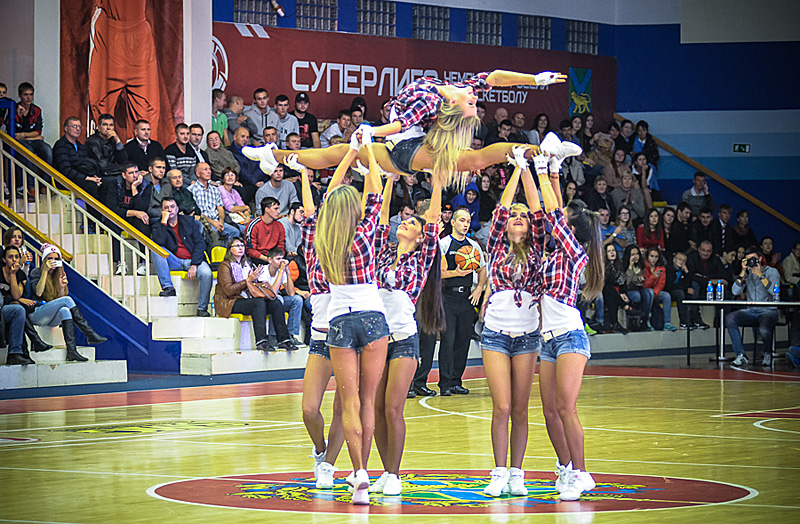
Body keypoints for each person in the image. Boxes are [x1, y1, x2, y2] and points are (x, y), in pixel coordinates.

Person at [241, 70, 568, 190]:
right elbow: (495, 77)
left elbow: (399, 125)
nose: (474, 99)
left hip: (404, 147)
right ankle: (274, 154)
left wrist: (370, 131)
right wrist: (535, 79)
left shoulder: (440, 99)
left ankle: (542, 150)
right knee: (336, 153)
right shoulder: (454, 92)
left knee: (474, 160)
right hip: (402, 142)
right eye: (473, 104)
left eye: (472, 105)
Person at [314, 131, 388, 506]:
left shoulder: (323, 239)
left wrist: (349, 154)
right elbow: (376, 190)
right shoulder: (364, 235)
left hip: (339, 322)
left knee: (349, 402)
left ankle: (357, 472)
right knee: (368, 400)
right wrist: (368, 149)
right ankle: (366, 472)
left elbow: (330, 195)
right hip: (373, 317)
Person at [369, 141, 443, 496]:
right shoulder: (383, 251)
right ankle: (384, 471)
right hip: (376, 339)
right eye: (405, 219)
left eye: (411, 222)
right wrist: (388, 179)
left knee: (392, 408)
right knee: (376, 409)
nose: (405, 223)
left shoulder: (423, 255)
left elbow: (434, 221)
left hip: (403, 340)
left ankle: (394, 474)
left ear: (419, 234)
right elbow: (379, 219)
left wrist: (438, 180)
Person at [535, 149, 604, 501]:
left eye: (565, 222)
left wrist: (545, 171)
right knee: (549, 411)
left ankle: (581, 472)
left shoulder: (575, 253)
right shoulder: (555, 254)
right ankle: (565, 468)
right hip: (547, 340)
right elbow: (557, 211)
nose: (558, 222)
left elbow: (554, 213)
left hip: (570, 338)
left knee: (565, 407)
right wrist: (553, 171)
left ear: (572, 230)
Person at [479, 146, 545, 498]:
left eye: (523, 215)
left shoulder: (537, 249)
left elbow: (538, 210)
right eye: (513, 215)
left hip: (527, 336)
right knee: (502, 406)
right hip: (495, 334)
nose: (518, 217)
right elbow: (501, 208)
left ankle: (517, 472)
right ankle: (499, 471)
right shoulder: (494, 246)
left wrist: (530, 170)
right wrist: (517, 169)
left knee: (520, 409)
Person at [295, 149, 348, 490]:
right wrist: (303, 172)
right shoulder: (313, 247)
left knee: (344, 408)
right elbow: (313, 210)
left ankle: (329, 466)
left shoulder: (354, 248)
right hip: (320, 338)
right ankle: (320, 449)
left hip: (349, 337)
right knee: (309, 409)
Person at [437, 205, 487, 396]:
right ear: (453, 222)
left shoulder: (473, 245)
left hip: (467, 297)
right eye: (462, 220)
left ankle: (456, 381)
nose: (465, 224)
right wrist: (455, 273)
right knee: (448, 340)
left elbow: (482, 269)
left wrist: (479, 288)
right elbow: (439, 273)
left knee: (463, 341)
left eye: (468, 221)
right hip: (447, 297)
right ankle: (445, 383)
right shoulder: (444, 243)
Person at [214, 238, 296, 352]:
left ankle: (284, 340)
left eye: (242, 245)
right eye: (236, 246)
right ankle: (262, 341)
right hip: (229, 302)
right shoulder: (225, 266)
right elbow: (229, 291)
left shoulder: (247, 265)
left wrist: (258, 282)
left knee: (276, 303)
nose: (240, 248)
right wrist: (247, 280)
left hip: (246, 298)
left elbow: (252, 286)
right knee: (258, 303)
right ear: (230, 249)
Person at [29, 244, 107, 362]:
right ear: (44, 260)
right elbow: (38, 292)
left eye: (56, 259)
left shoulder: (58, 274)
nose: (53, 261)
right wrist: (45, 271)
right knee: (68, 300)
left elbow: (58, 301)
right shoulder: (37, 272)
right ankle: (89, 333)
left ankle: (72, 351)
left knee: (65, 310)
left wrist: (61, 287)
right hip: (37, 314)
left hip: (51, 316)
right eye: (49, 258)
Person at [150, 197, 213, 313]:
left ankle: (202, 309)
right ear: (162, 211)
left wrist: (194, 265)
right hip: (174, 261)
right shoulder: (158, 225)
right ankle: (168, 287)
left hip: (193, 261)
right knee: (155, 248)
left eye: (172, 207)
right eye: (166, 208)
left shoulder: (189, 221)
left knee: (206, 273)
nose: (170, 210)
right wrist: (164, 221)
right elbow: (159, 242)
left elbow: (200, 244)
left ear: (177, 208)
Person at [727, 247, 781, 368]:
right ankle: (740, 355)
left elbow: (775, 291)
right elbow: (735, 291)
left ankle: (767, 353)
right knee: (730, 318)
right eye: (748, 260)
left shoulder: (772, 272)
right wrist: (742, 272)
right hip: (750, 311)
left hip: (768, 310)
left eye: (753, 259)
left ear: (760, 259)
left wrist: (760, 275)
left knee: (764, 329)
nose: (751, 262)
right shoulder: (747, 273)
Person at [103, 163, 152, 274]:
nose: (135, 175)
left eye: (136, 172)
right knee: (112, 223)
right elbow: (112, 208)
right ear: (124, 175)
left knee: (143, 222)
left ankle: (143, 262)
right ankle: (120, 262)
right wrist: (134, 212)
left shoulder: (145, 185)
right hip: (119, 216)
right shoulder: (115, 184)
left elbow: (142, 208)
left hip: (134, 218)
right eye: (131, 173)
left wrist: (134, 188)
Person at [0, 245, 39, 365]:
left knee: (19, 310)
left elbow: (17, 296)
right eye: (10, 257)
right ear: (4, 259)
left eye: (16, 257)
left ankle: (14, 353)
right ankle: (34, 340)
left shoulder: (19, 273)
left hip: (5, 309)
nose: (14, 260)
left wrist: (13, 275)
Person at [52, 117, 103, 203]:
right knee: (91, 186)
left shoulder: (81, 146)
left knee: (105, 183)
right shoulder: (61, 145)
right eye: (74, 126)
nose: (78, 129)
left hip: (80, 177)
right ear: (66, 129)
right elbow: (65, 170)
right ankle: (94, 212)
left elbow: (87, 165)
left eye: (80, 126)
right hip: (66, 180)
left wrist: (94, 177)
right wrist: (87, 178)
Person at [188, 162, 239, 242]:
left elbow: (220, 208)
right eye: (205, 169)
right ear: (198, 174)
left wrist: (221, 222)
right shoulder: (191, 190)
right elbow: (196, 212)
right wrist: (213, 223)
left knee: (234, 232)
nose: (209, 172)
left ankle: (228, 250)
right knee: (214, 232)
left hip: (217, 221)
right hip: (203, 222)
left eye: (209, 169)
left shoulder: (215, 189)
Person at [687, 240, 725, 329]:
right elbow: (691, 276)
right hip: (698, 286)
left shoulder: (715, 259)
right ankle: (696, 319)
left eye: (708, 251)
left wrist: (704, 278)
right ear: (698, 249)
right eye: (703, 250)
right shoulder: (692, 257)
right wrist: (709, 280)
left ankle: (720, 320)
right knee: (694, 285)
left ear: (711, 251)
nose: (705, 253)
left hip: (711, 287)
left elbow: (723, 275)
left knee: (723, 287)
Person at [15, 82, 53, 164]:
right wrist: (35, 137)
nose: (29, 97)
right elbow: (15, 136)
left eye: (31, 94)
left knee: (48, 150)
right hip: (19, 142)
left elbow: (38, 132)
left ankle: (46, 173)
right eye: (25, 95)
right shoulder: (14, 110)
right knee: (29, 152)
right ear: (19, 95)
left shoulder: (37, 110)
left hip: (33, 141)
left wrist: (23, 135)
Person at [229, 127, 267, 205]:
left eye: (247, 137)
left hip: (258, 182)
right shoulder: (230, 152)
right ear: (235, 137)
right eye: (242, 136)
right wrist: (255, 181)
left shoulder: (252, 150)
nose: (245, 139)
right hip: (244, 184)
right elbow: (241, 171)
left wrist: (262, 181)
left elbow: (260, 166)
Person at [644, 247, 677, 331]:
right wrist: (653, 277)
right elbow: (644, 285)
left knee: (666, 295)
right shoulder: (643, 266)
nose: (654, 259)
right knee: (650, 292)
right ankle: (646, 321)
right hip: (645, 292)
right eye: (651, 256)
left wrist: (654, 294)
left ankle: (667, 323)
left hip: (654, 293)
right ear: (647, 256)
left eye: (656, 257)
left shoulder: (661, 268)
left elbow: (661, 284)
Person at [245, 197, 285, 264]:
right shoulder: (254, 224)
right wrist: (268, 260)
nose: (279, 211)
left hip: (274, 258)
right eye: (275, 209)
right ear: (267, 209)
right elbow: (250, 250)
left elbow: (281, 246)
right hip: (259, 258)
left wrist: (276, 258)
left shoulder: (279, 225)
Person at [622, 245, 653, 330]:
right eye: (633, 254)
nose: (635, 256)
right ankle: (633, 319)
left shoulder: (641, 265)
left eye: (637, 254)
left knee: (649, 293)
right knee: (636, 295)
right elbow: (627, 282)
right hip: (627, 290)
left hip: (638, 288)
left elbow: (640, 283)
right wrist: (630, 266)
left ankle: (644, 319)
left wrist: (640, 280)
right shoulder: (623, 265)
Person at [603, 243, 630, 334]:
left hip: (614, 293)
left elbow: (623, 282)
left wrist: (623, 292)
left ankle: (615, 324)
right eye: (609, 251)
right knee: (609, 289)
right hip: (603, 291)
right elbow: (605, 282)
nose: (612, 253)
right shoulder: (602, 266)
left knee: (612, 296)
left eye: (613, 250)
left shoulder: (619, 265)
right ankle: (626, 307)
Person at [665, 251, 692, 329]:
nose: (681, 262)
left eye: (684, 261)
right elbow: (669, 285)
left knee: (691, 294)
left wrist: (687, 272)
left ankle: (693, 320)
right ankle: (683, 322)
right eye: (679, 259)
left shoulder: (683, 271)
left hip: (680, 290)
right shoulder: (668, 269)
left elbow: (688, 284)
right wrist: (685, 289)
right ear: (674, 259)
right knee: (680, 294)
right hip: (669, 291)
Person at [144, 157, 171, 222]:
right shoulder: (144, 183)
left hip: (168, 215)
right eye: (158, 167)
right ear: (150, 169)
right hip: (153, 218)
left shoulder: (167, 183)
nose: (161, 171)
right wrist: (164, 213)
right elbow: (147, 209)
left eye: (163, 168)